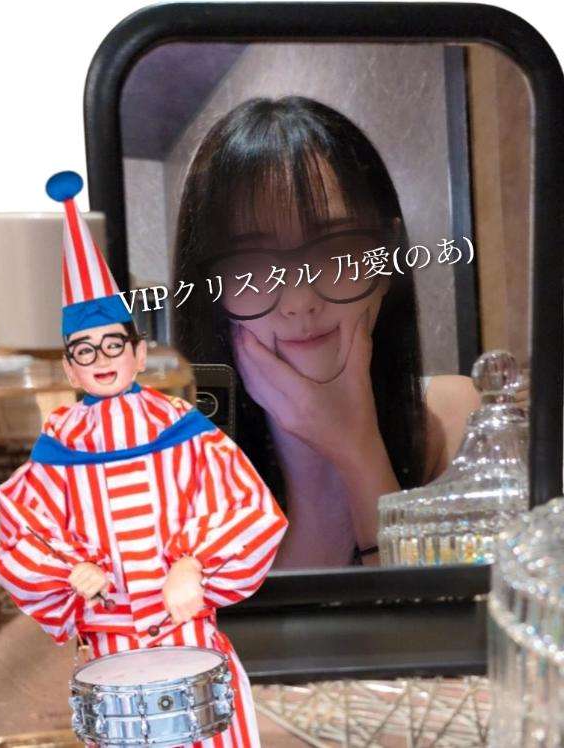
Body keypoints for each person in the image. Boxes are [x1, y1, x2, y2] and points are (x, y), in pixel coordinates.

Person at [0, 171, 288, 748]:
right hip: (107, 658)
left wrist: (193, 564)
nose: (100, 359)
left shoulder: (184, 431)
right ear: (70, 367)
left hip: (192, 641)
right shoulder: (58, 449)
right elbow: (24, 534)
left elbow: (247, 506)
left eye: (112, 345)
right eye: (84, 351)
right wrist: (70, 569)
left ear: (139, 353)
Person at [172, 95, 481, 568]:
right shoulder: (173, 468)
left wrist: (358, 451)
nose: (299, 300)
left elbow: (426, 613)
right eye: (252, 264)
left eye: (336, 251)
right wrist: (312, 466)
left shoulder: (457, 418)